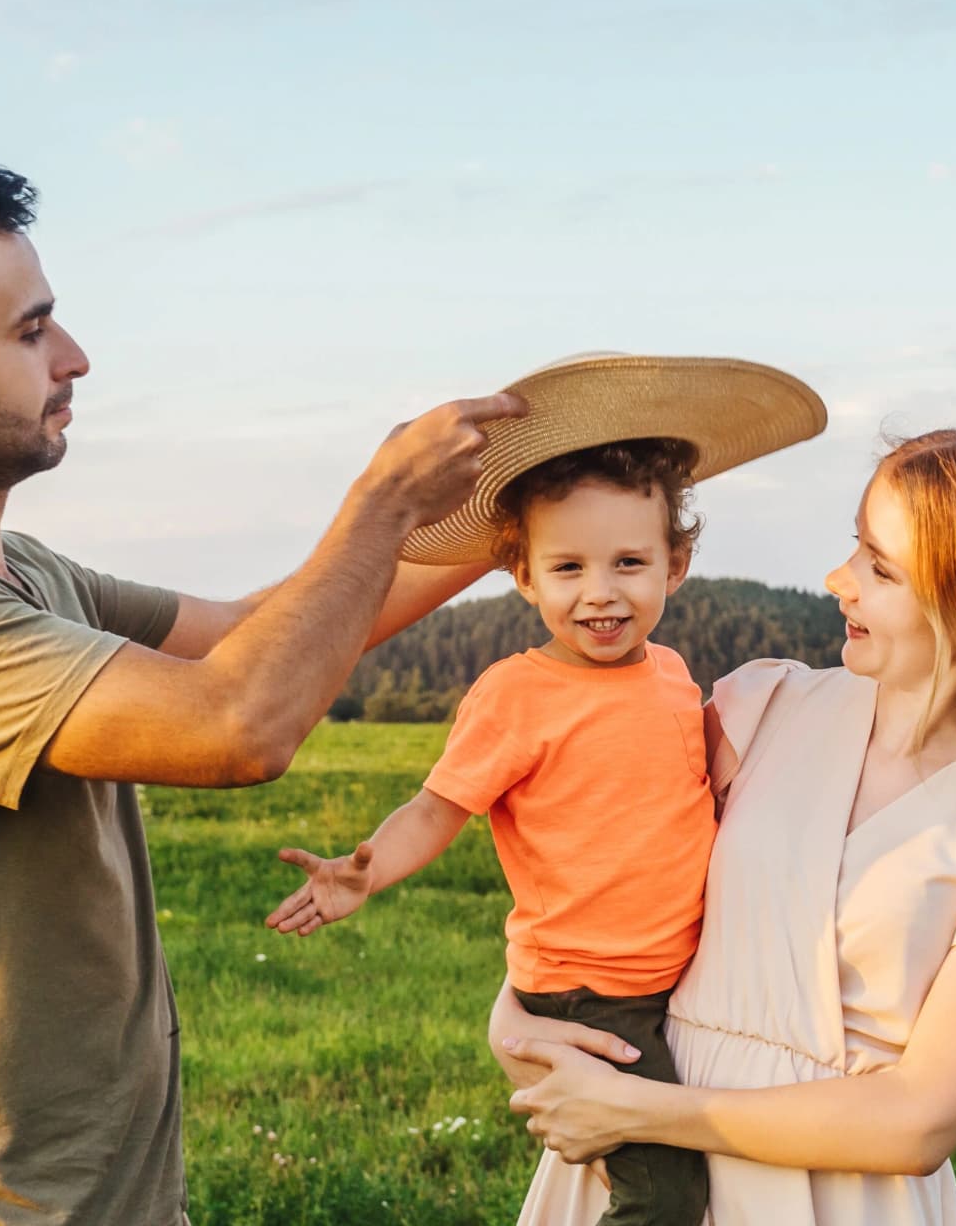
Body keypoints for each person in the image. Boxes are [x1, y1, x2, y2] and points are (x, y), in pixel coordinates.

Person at [0, 153, 521, 1225]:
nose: (74, 357)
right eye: (30, 332)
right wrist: (382, 498)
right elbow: (238, 721)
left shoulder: (33, 574)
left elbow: (257, 630)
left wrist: (506, 525)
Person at [490, 427, 956, 1226]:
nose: (837, 580)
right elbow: (612, 878)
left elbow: (921, 1120)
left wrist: (640, 1113)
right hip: (633, 1168)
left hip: (829, 1192)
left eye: (879, 568)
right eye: (855, 547)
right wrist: (521, 1013)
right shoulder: (765, 710)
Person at [264, 438, 718, 1226]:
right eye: (568, 568)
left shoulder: (673, 673)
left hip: (677, 970)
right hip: (590, 994)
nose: (600, 594)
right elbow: (438, 807)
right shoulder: (515, 694)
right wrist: (369, 871)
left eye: (629, 564)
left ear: (673, 567)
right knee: (666, 1196)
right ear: (525, 576)